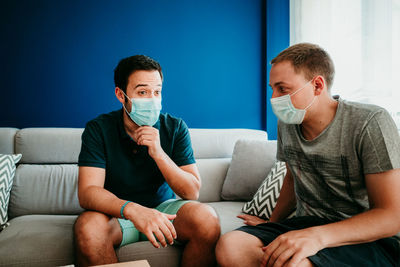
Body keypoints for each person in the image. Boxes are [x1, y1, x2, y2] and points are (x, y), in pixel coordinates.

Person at [216, 43, 400, 267]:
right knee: (231, 246)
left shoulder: (370, 122)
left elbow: (392, 216)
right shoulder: (288, 121)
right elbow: (293, 177)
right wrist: (271, 223)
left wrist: (318, 237)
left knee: (294, 263)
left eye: (282, 89)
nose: (273, 98)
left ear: (317, 85)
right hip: (306, 224)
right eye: (272, 88)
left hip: (367, 237)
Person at [74, 55, 220, 267]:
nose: (152, 99)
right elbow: (87, 192)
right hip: (117, 214)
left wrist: (158, 152)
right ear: (121, 95)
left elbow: (191, 192)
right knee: (88, 228)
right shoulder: (98, 129)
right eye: (142, 92)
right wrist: (134, 210)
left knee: (207, 219)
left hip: (164, 211)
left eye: (157, 92)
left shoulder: (175, 127)